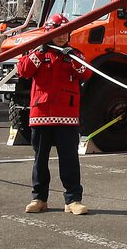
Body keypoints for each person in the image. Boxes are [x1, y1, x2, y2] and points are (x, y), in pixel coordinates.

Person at [15, 14, 91, 215]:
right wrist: (38, 52)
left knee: (70, 159)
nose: (60, 36)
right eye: (56, 33)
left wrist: (72, 59)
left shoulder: (74, 54)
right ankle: (39, 198)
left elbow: (86, 73)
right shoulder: (38, 53)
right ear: (48, 33)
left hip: (67, 115)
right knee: (40, 160)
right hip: (41, 116)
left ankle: (73, 200)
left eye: (65, 32)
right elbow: (23, 71)